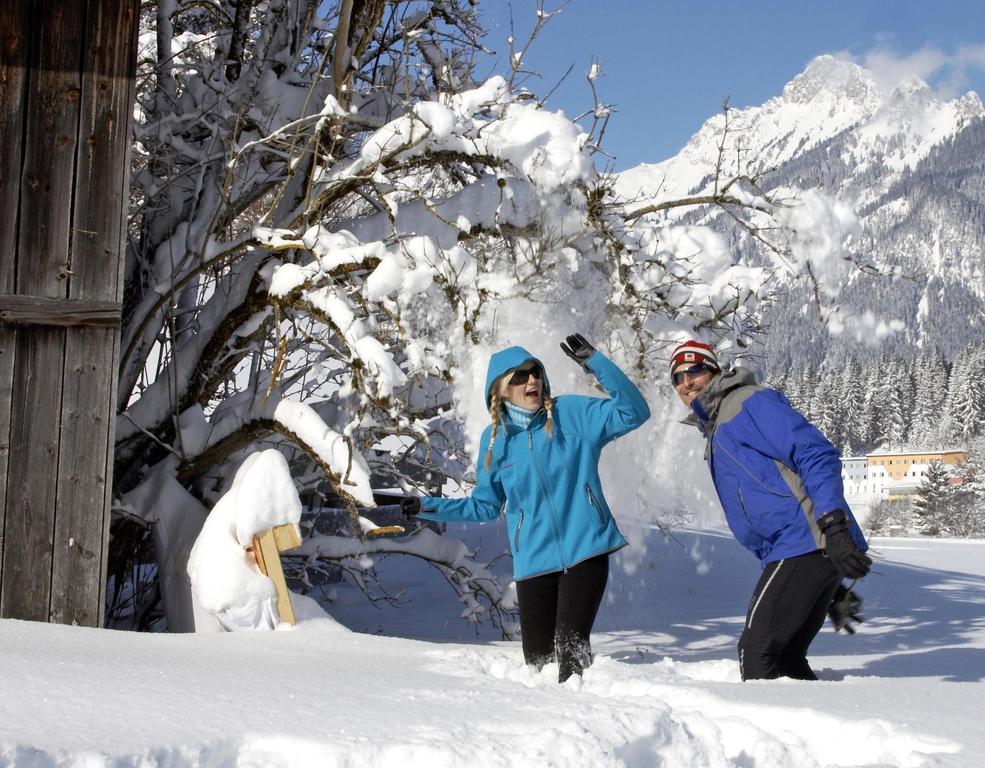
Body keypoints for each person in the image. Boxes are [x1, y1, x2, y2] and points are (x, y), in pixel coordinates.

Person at [401, 334, 650, 682]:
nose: (531, 380)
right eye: (519, 376)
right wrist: (426, 506)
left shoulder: (572, 415)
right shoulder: (495, 440)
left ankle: (585, 727)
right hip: (533, 561)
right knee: (538, 665)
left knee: (570, 650)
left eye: (534, 372)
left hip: (585, 549)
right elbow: (484, 507)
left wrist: (594, 362)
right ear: (501, 389)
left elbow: (634, 412)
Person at [670, 340, 871, 681]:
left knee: (757, 650)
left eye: (695, 370)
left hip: (806, 539)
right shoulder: (717, 429)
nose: (687, 382)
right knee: (787, 657)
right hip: (799, 550)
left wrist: (834, 527)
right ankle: (815, 730)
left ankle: (770, 733)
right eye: (677, 377)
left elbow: (815, 453)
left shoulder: (748, 403)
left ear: (714, 371)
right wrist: (824, 587)